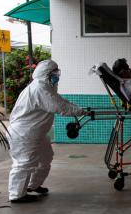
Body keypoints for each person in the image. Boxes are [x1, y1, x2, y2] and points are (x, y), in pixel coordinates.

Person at [7, 60, 86, 203]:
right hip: (24, 134)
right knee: (24, 163)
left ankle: (33, 185)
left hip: (36, 133)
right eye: (54, 73)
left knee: (46, 157)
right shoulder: (39, 88)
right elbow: (60, 107)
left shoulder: (46, 87)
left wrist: (79, 108)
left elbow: (61, 100)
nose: (57, 76)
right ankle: (16, 195)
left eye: (57, 72)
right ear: (45, 74)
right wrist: (80, 111)